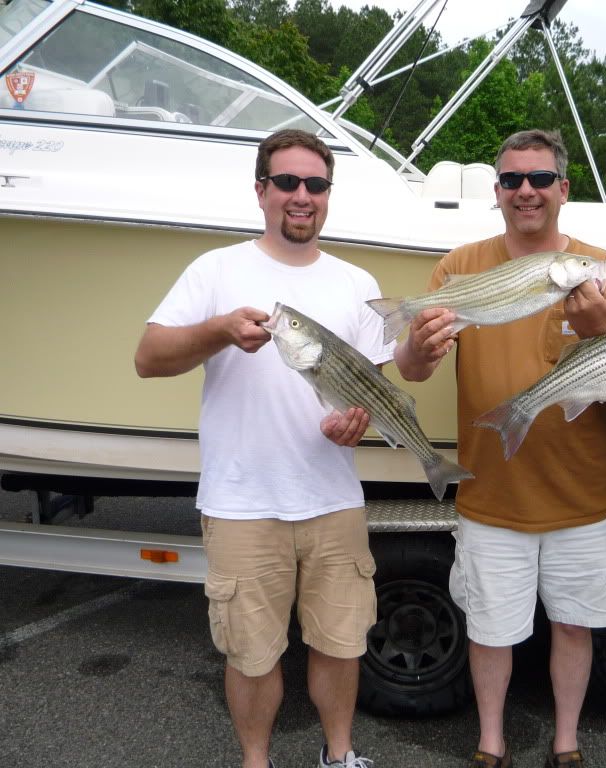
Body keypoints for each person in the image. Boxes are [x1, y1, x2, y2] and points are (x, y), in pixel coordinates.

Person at [134, 129, 385, 768]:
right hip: (242, 503)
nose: (302, 197)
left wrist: (359, 417)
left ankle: (339, 755)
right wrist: (218, 330)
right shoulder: (215, 269)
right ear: (261, 190)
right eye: (288, 183)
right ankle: (256, 760)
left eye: (316, 185)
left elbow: (375, 384)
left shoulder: (357, 281)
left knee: (340, 643)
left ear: (328, 195)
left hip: (332, 498)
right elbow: (148, 359)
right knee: (251, 652)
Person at [394, 129, 606, 768]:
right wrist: (417, 343)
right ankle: (490, 743)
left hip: (582, 492)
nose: (525, 191)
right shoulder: (459, 268)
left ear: (563, 188)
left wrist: (594, 327)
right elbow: (414, 371)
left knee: (575, 625)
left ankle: (566, 743)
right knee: (489, 628)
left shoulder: (601, 268)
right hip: (490, 490)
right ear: (498, 193)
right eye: (511, 180)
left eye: (537, 179)